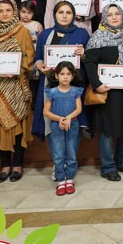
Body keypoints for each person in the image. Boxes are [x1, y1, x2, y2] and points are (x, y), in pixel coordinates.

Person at [85, 4, 123, 181]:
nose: (114, 17)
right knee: (108, 131)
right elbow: (90, 63)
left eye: (117, 13)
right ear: (104, 17)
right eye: (110, 15)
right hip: (107, 92)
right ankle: (108, 166)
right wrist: (97, 84)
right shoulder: (97, 37)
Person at [0, 0, 35, 183]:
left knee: (18, 125)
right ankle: (5, 166)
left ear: (14, 12)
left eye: (8, 10)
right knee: (0, 125)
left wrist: (15, 70)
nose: (5, 14)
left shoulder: (22, 31)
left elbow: (29, 58)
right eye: (1, 11)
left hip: (16, 85)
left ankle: (18, 164)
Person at [32, 1, 89, 141]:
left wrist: (84, 54)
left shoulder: (82, 34)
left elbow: (90, 59)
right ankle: (56, 154)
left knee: (73, 123)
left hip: (73, 86)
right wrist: (40, 66)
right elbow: (38, 58)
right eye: (60, 12)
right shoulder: (45, 34)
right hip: (50, 84)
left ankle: (71, 153)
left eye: (68, 13)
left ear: (73, 15)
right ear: (55, 14)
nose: (64, 16)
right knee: (51, 123)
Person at [42, 62, 84, 195]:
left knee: (71, 152)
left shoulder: (76, 91)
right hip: (57, 126)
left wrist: (68, 118)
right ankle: (60, 180)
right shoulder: (52, 92)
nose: (65, 77)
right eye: (62, 74)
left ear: (72, 76)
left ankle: (69, 179)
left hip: (72, 125)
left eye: (68, 74)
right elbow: (46, 112)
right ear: (56, 76)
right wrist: (60, 119)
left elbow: (79, 109)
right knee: (58, 153)